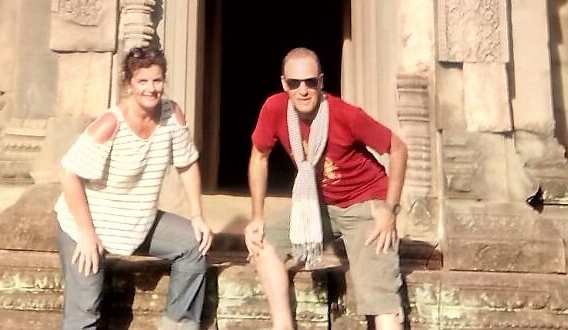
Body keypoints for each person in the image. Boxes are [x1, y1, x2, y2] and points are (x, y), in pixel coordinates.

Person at [245, 47, 407, 330]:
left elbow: (398, 149)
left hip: (365, 204)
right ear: (285, 84)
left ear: (321, 82)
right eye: (295, 83)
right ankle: (282, 324)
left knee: (381, 298)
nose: (303, 90)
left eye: (310, 82)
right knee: (261, 241)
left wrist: (389, 210)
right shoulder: (274, 109)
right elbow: (259, 157)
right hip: (320, 204)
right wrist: (256, 217)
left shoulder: (345, 114)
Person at [56, 45, 213, 330]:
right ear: (129, 84)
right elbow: (69, 175)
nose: (151, 89)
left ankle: (179, 324)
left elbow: (187, 163)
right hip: (87, 224)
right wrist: (87, 234)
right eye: (143, 81)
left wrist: (197, 215)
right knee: (85, 311)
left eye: (157, 80)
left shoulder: (172, 115)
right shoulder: (110, 125)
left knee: (195, 243)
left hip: (138, 221)